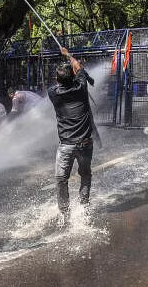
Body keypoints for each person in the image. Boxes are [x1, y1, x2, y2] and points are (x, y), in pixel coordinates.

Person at [48, 47, 96, 226]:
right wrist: (68, 55)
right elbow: (78, 67)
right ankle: (84, 206)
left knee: (61, 179)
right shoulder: (81, 86)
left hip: (66, 145)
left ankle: (64, 212)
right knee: (85, 174)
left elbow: (75, 71)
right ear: (74, 78)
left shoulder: (53, 93)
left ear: (57, 80)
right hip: (85, 143)